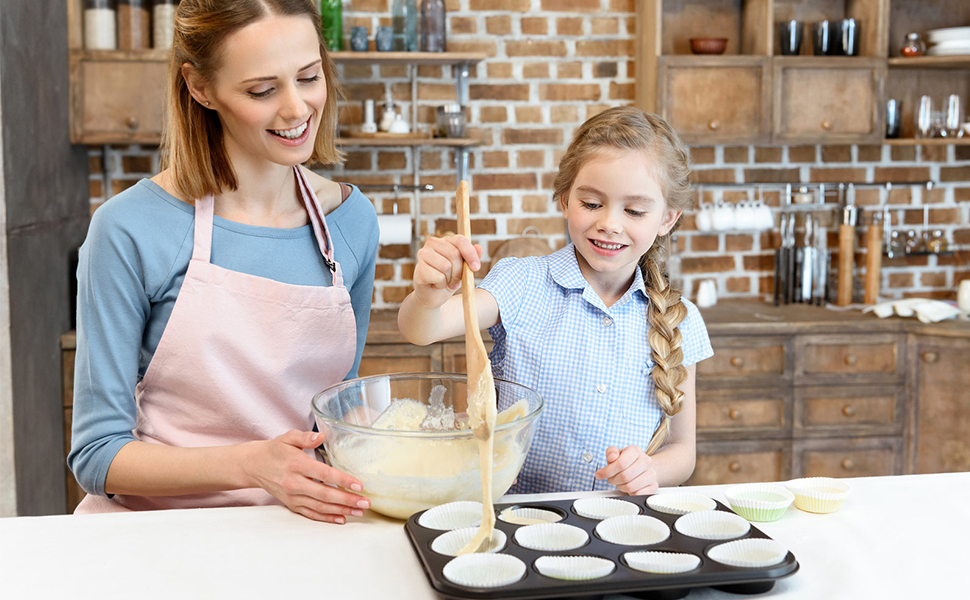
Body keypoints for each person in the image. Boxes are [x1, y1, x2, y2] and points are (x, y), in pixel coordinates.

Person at [68, 0, 378, 524]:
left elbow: (336, 409)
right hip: (153, 539)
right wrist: (251, 465)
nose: (298, 108)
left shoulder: (352, 221)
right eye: (262, 90)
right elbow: (98, 457)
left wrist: (374, 431)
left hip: (295, 530)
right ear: (199, 87)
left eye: (308, 76)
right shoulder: (129, 228)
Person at [398, 106, 714, 495]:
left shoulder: (679, 320)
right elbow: (421, 329)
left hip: (616, 517)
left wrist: (650, 469)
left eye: (634, 210)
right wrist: (428, 295)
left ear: (667, 218)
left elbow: (683, 451)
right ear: (565, 199)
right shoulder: (522, 282)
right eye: (592, 204)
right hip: (519, 516)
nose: (610, 223)